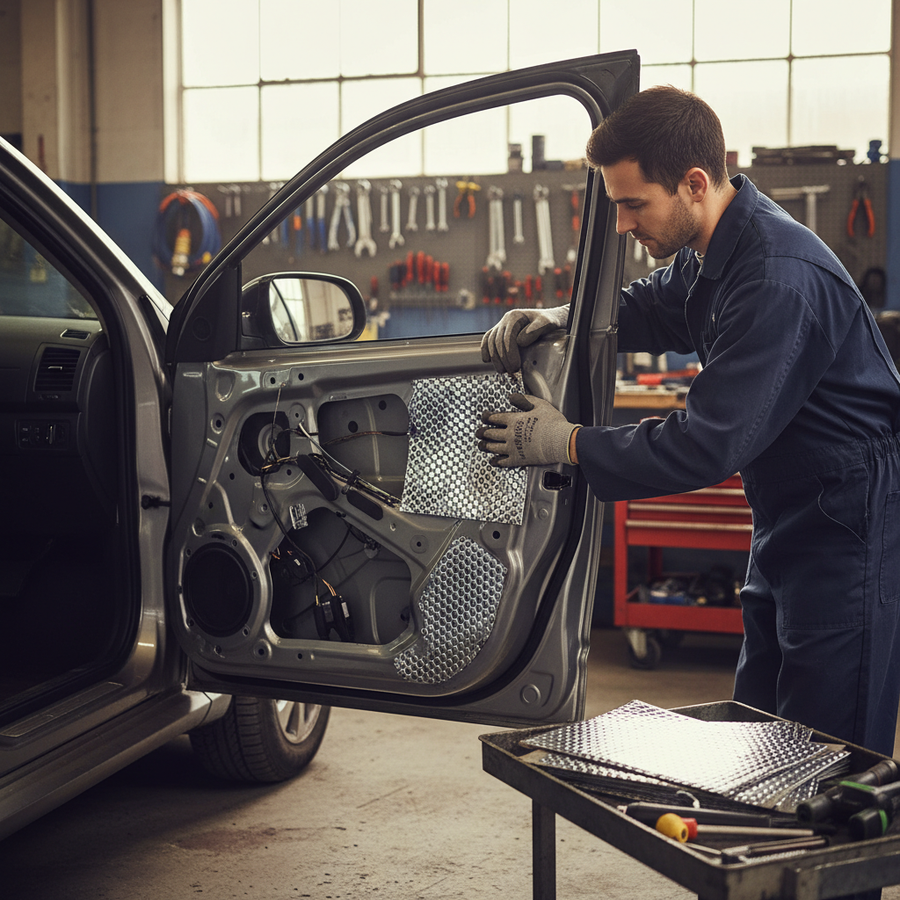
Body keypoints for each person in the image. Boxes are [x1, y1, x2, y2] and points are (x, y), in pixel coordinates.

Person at [477, 85, 900, 758]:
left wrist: (570, 443)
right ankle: (763, 850)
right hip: (793, 512)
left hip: (850, 522)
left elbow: (705, 444)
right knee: (760, 727)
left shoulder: (774, 276)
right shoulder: (717, 248)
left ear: (694, 183)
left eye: (633, 205)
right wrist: (567, 317)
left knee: (830, 751)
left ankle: (822, 859)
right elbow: (650, 305)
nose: (621, 226)